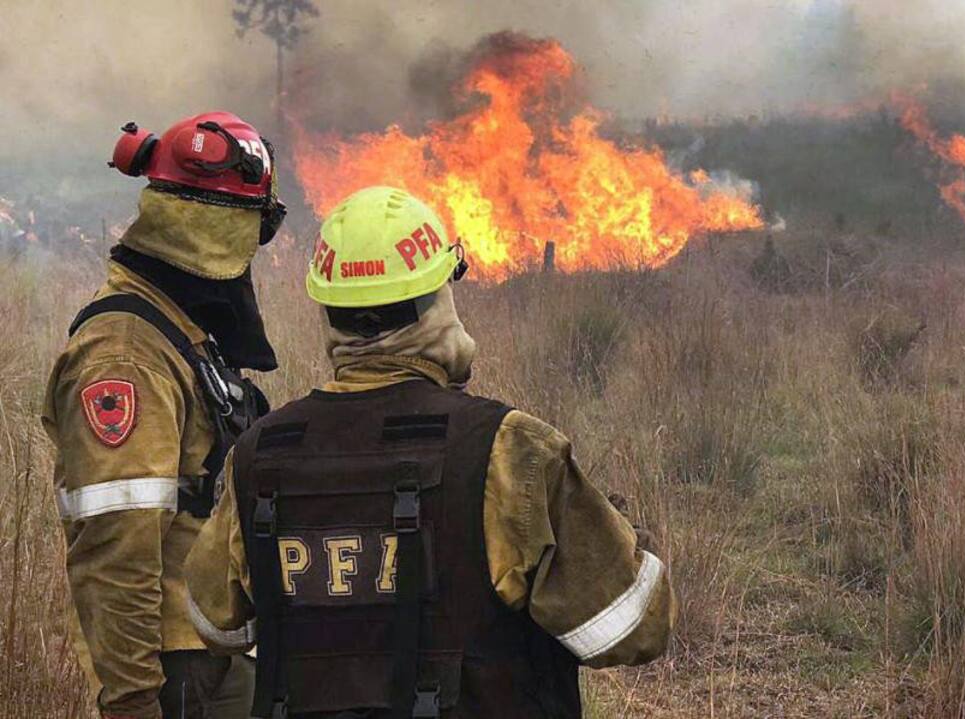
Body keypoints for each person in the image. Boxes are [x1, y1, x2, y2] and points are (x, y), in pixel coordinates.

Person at [185, 186, 674, 718]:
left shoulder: (261, 455)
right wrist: (620, 533)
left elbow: (218, 623)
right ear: (436, 301)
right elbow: (631, 628)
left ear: (329, 311)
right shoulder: (508, 450)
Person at [41, 112, 287, 719]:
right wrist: (131, 702)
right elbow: (116, 545)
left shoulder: (177, 329)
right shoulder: (126, 353)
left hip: (212, 649)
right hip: (174, 670)